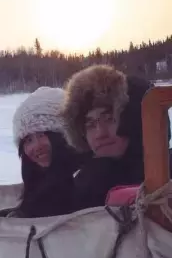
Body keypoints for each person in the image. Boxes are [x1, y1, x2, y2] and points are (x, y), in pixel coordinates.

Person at [60, 64, 171, 211]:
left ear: (133, 119)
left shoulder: (168, 171)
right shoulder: (81, 186)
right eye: (90, 124)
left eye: (109, 118)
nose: (100, 133)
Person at [1, 86, 85, 218]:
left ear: (65, 135)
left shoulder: (83, 180)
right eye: (28, 140)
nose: (37, 146)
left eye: (42, 135)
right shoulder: (38, 182)